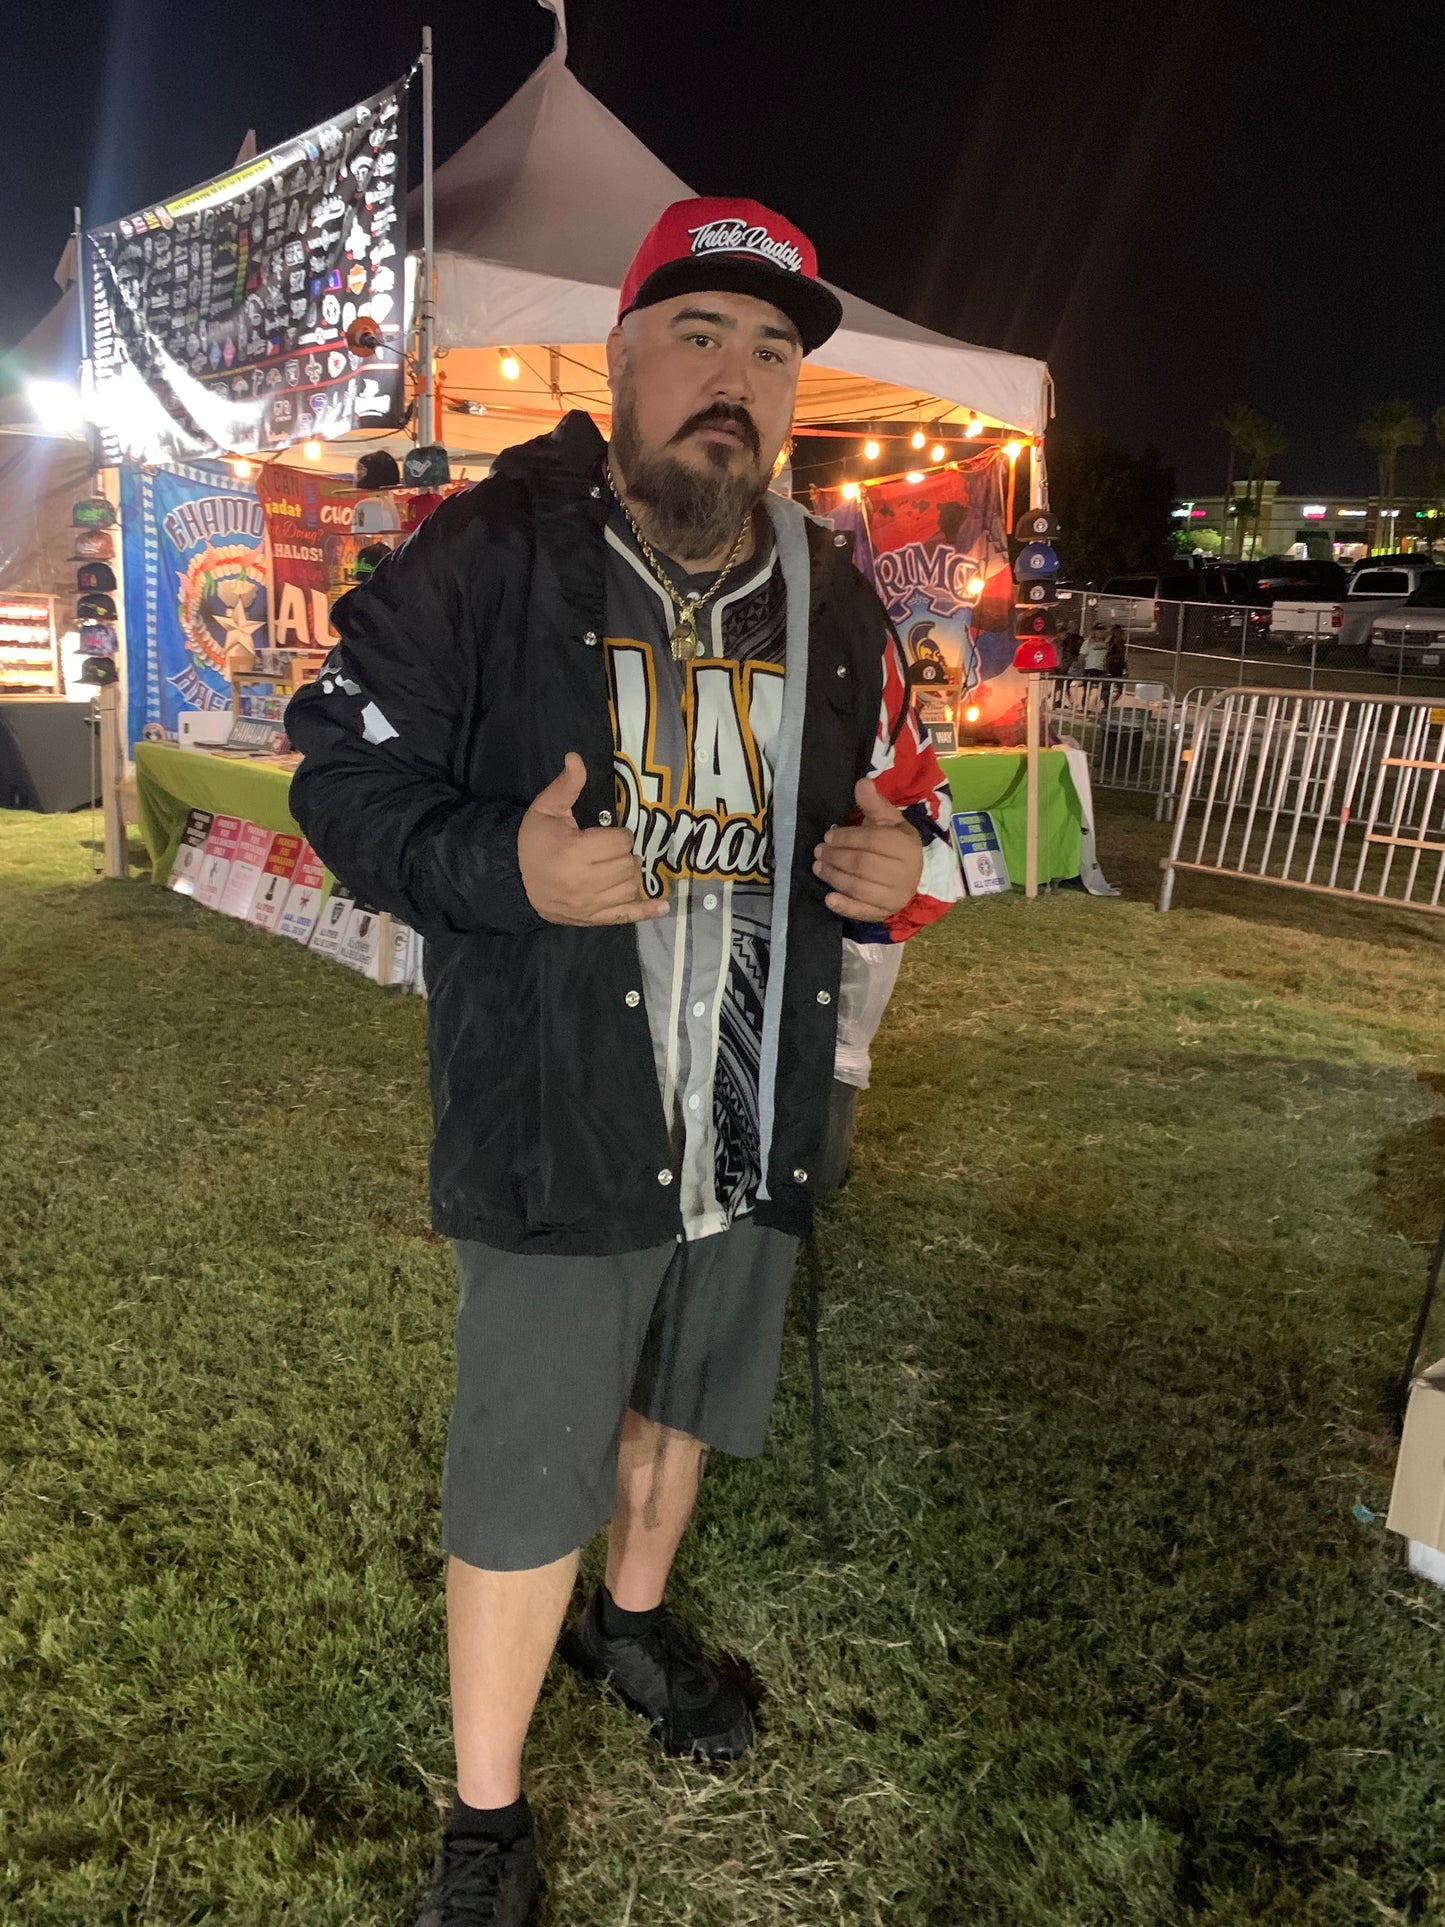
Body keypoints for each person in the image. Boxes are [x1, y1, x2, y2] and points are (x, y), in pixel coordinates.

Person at [285, 194, 962, 1927]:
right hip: (560, 1104)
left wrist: (896, 874)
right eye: (699, 337)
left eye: (770, 352)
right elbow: (341, 775)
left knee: (680, 1405)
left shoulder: (828, 585)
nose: (732, 378)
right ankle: (489, 1821)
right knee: (529, 1457)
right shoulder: (491, 550)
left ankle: (635, 1627)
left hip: (749, 1098)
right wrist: (500, 870)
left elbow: (898, 802)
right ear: (621, 358)